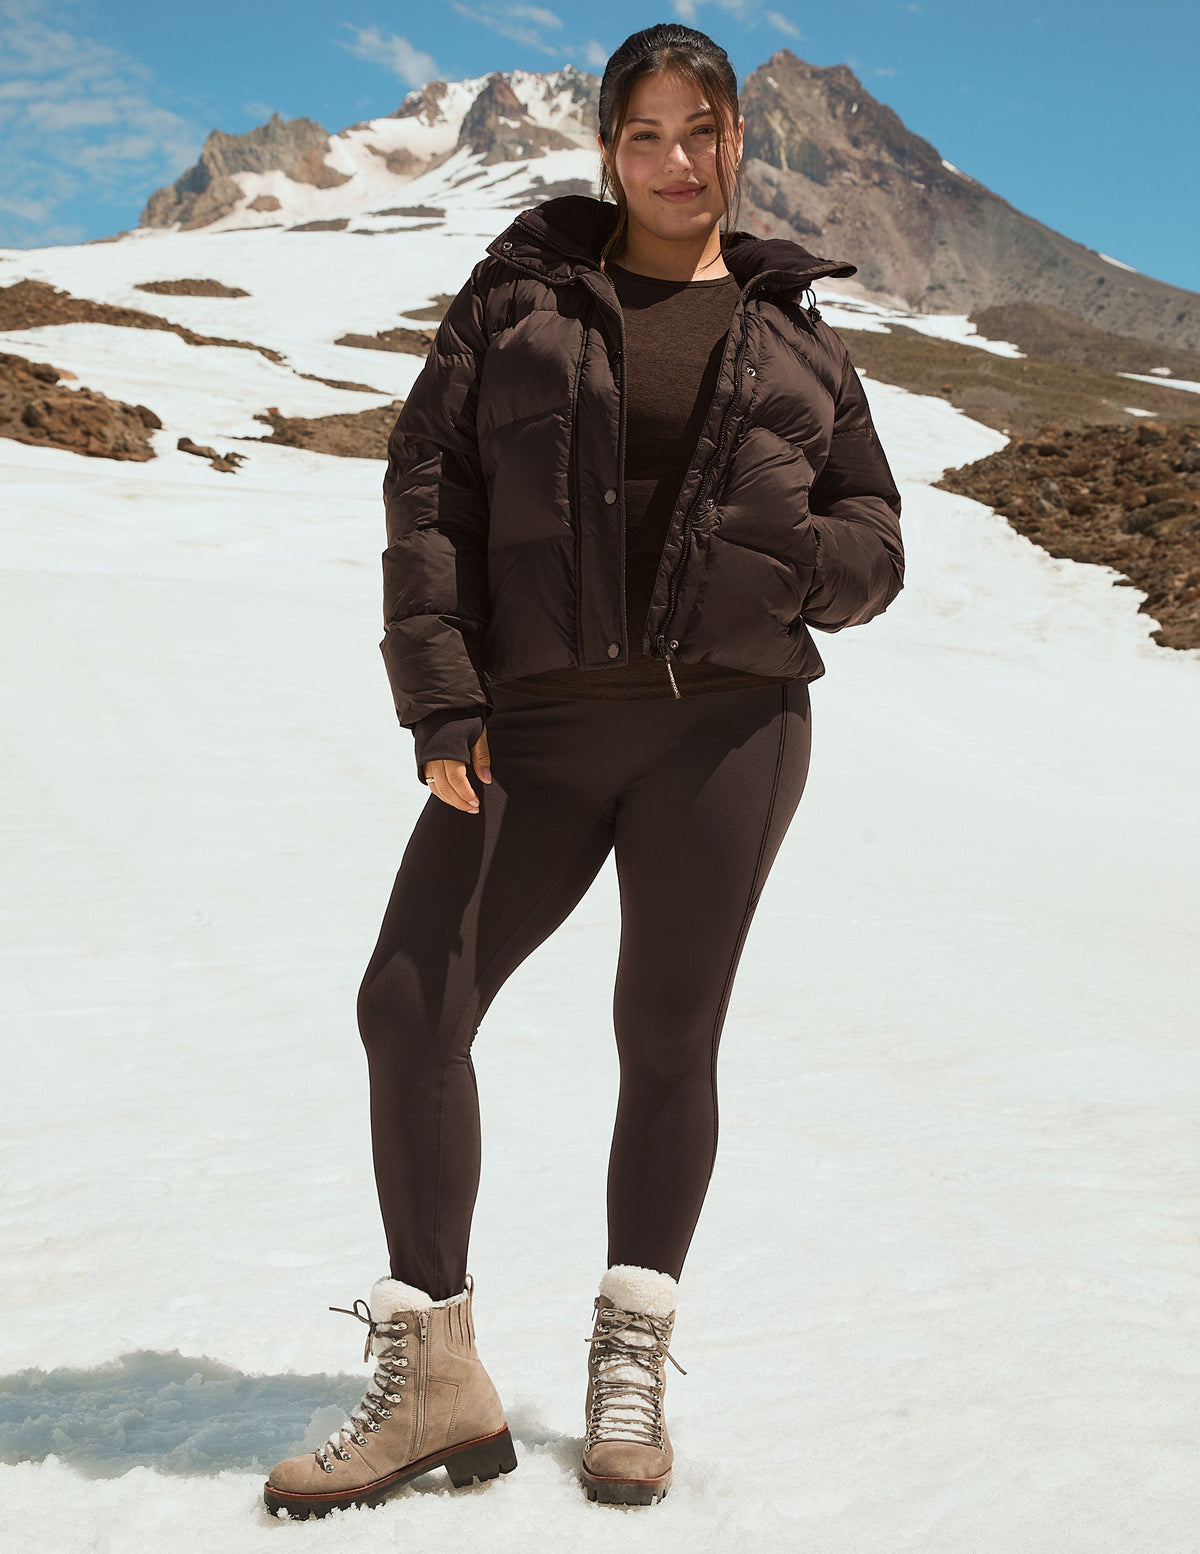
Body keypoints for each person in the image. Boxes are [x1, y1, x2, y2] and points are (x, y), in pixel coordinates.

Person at [264, 21, 904, 1520]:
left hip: (727, 731)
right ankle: (435, 1372)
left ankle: (632, 1354)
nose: (679, 162)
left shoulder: (799, 331)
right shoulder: (517, 298)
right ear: (605, 149)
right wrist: (440, 697)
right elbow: (427, 490)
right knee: (411, 1000)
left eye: (705, 131)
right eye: (646, 135)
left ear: (742, 140)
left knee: (665, 1033)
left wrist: (792, 565)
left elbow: (875, 535)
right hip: (533, 732)